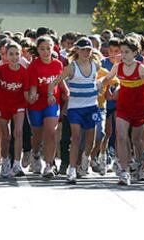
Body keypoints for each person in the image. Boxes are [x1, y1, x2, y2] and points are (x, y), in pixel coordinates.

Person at [102, 36, 144, 185]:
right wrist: (101, 84)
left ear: (135, 53)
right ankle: (124, 172)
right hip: (123, 107)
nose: (123, 55)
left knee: (136, 140)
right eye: (122, 52)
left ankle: (140, 161)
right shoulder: (117, 66)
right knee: (121, 136)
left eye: (126, 52)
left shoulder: (140, 67)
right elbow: (107, 78)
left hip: (139, 108)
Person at [49, 37, 100, 183]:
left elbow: (102, 79)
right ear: (77, 50)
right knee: (76, 137)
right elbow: (54, 82)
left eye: (88, 50)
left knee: (91, 140)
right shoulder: (72, 67)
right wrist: (50, 94)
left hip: (92, 107)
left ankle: (85, 158)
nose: (86, 52)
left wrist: (101, 84)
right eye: (83, 49)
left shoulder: (95, 65)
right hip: (75, 108)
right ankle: (71, 170)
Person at [28, 35, 66, 178]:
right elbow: (33, 86)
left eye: (48, 48)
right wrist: (32, 96)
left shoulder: (57, 64)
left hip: (52, 102)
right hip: (37, 104)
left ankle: (49, 165)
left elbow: (59, 81)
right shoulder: (34, 66)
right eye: (42, 49)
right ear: (37, 50)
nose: (46, 51)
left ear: (53, 48)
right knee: (37, 135)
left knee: (51, 132)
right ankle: (36, 154)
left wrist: (66, 91)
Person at [0, 42, 29, 178]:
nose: (14, 57)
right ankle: (5, 161)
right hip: (3, 105)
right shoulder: (0, 70)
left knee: (19, 132)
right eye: (11, 54)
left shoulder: (24, 72)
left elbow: (26, 92)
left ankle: (17, 163)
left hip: (19, 104)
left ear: (21, 55)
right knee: (6, 135)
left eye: (17, 54)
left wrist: (32, 97)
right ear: (5, 56)